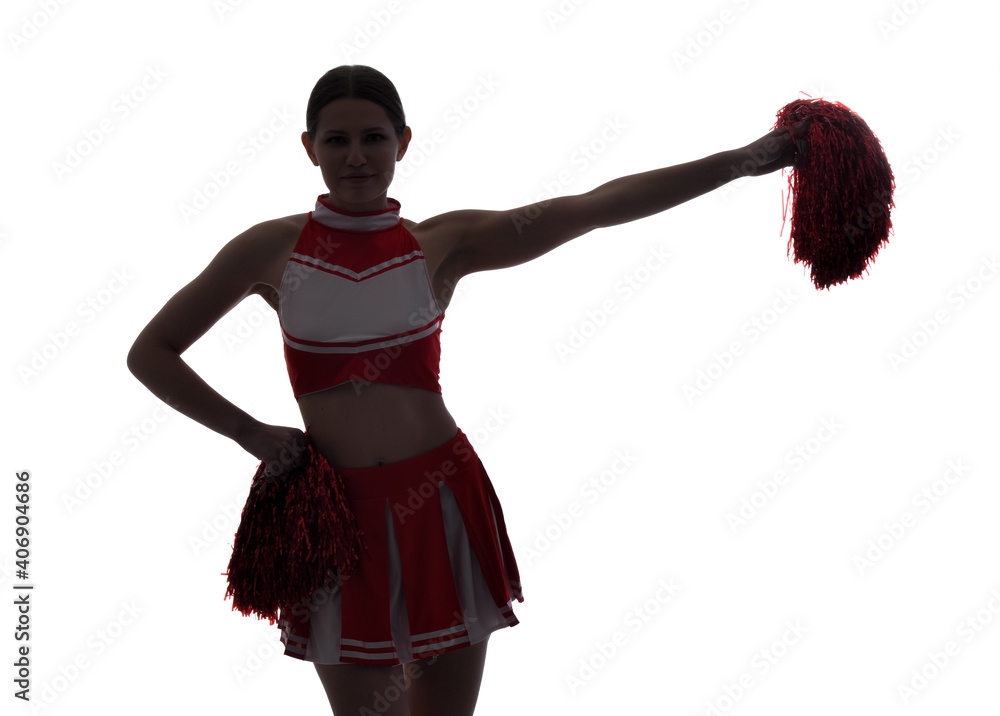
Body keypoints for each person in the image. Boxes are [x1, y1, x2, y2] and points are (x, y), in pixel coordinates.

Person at [126, 64, 805, 715]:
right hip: (336, 519)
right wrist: (250, 433)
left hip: (444, 502)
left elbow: (594, 207)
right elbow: (151, 353)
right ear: (309, 147)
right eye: (337, 139)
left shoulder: (444, 243)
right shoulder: (269, 249)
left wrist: (744, 159)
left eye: (374, 138)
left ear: (403, 143)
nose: (356, 155)